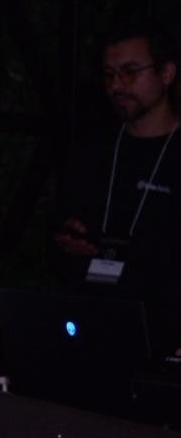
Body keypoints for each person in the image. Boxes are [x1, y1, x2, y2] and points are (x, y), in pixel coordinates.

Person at [54, 20, 181, 360]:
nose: (117, 85)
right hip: (91, 324)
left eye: (129, 72)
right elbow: (65, 228)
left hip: (163, 333)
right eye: (109, 75)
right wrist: (68, 240)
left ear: (166, 73)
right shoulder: (92, 151)